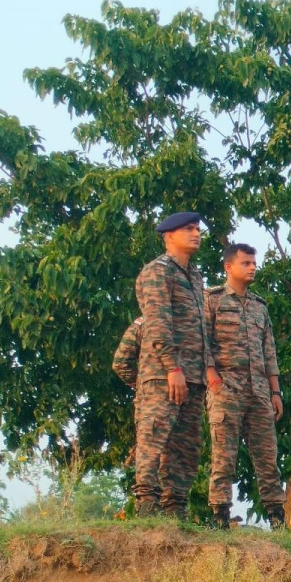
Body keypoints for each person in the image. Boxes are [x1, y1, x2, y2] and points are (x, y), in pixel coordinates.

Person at [132, 211, 213, 519]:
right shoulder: (157, 271)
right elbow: (158, 324)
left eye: (197, 228)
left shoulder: (195, 275)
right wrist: (172, 368)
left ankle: (175, 507)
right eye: (189, 229)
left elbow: (200, 330)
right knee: (154, 437)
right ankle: (147, 503)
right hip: (164, 374)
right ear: (169, 236)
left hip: (193, 375)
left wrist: (202, 370)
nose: (196, 233)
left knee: (186, 445)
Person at [204, 244, 286, 530]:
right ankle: (220, 517)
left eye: (254, 262)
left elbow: (269, 351)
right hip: (226, 387)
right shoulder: (211, 300)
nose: (253, 267)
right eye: (246, 263)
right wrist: (211, 375)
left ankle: (277, 518)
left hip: (260, 390)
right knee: (224, 457)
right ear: (229, 267)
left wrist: (276, 392)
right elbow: (201, 343)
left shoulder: (259, 306)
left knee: (268, 458)